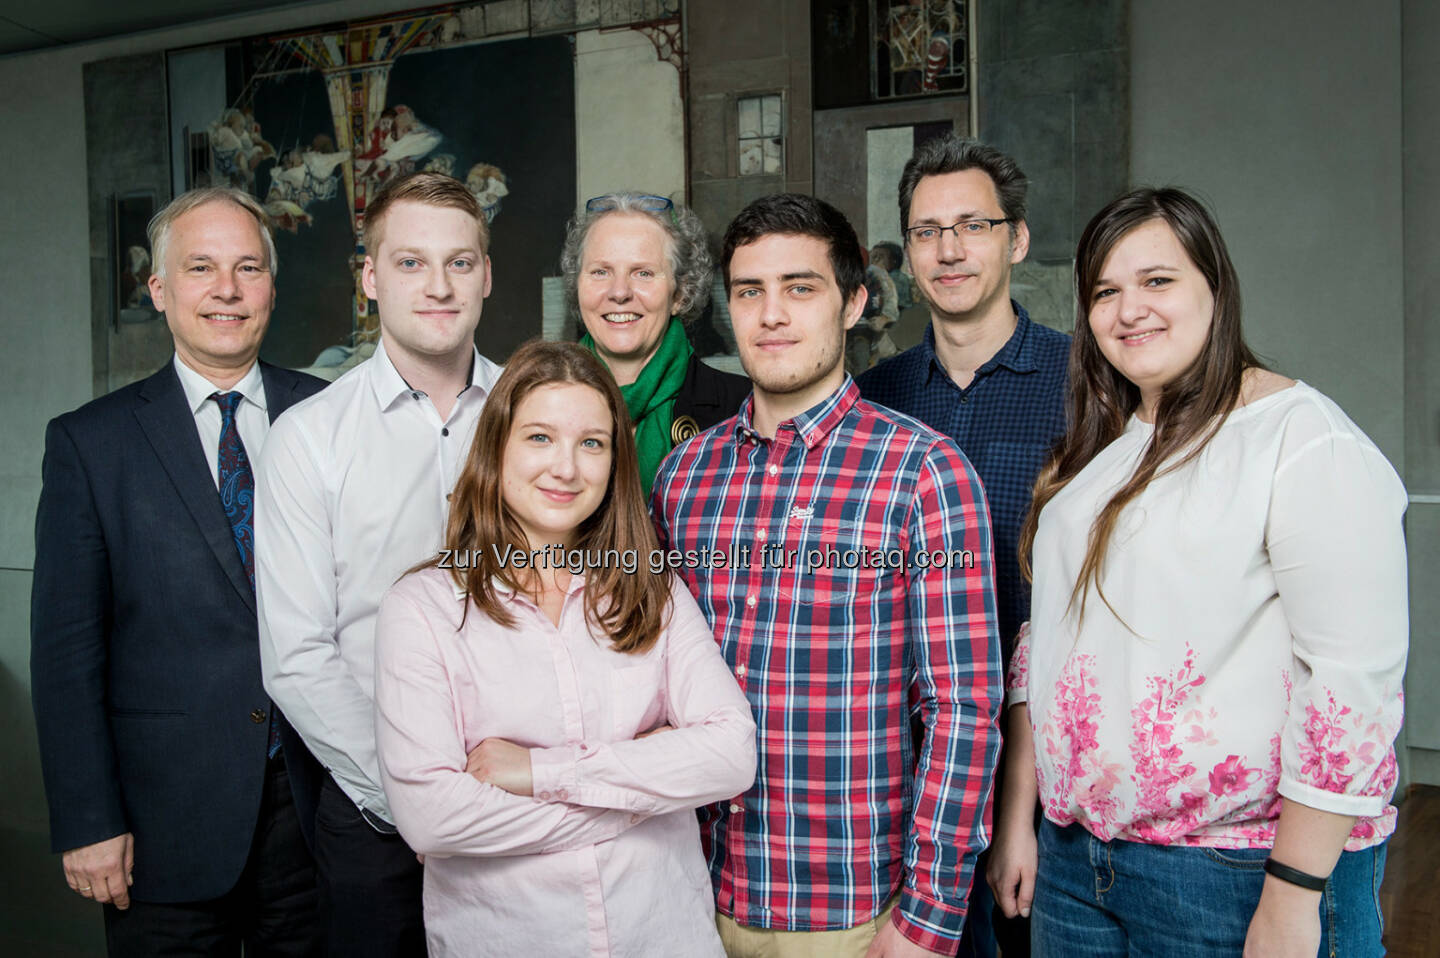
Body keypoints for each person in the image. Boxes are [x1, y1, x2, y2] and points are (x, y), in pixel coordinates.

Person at [992, 187, 1407, 957]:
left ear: (1214, 286)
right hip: (1078, 866)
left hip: (1235, 872)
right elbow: (1042, 652)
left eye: (1158, 281)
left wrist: (1294, 895)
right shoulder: (1099, 459)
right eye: (1105, 292)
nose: (1128, 310)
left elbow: (1352, 683)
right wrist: (1021, 822)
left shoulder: (1301, 439)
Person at [652, 193, 1002, 958]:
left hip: (849, 912)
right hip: (684, 898)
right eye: (750, 292)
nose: (771, 314)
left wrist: (930, 917)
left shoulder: (925, 473)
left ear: (854, 303)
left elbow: (963, 709)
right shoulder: (682, 477)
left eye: (800, 288)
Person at [373, 340, 756, 957]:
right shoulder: (422, 609)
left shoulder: (653, 591)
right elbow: (431, 817)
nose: (567, 468)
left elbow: (732, 754)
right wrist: (643, 799)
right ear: (496, 448)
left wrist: (538, 773)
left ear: (614, 462)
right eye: (540, 438)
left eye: (592, 443)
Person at [31, 187, 325, 955]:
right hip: (164, 831)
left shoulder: (331, 414)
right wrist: (89, 821)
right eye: (201, 268)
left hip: (322, 817)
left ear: (270, 286)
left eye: (247, 268)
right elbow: (66, 658)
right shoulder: (90, 446)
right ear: (160, 290)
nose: (226, 290)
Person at [256, 171, 503, 957]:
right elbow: (297, 656)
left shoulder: (535, 418)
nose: (438, 285)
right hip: (375, 815)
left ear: (487, 275)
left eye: (460, 263)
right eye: (409, 263)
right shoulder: (307, 437)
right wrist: (416, 794)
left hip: (518, 799)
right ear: (369, 277)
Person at [858, 135, 1069, 958]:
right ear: (906, 255)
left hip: (1041, 760)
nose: (949, 250)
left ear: (1015, 239)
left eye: (973, 225)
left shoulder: (1084, 382)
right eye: (925, 231)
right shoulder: (877, 394)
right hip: (905, 765)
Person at [560, 192, 750, 494]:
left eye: (643, 273)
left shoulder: (744, 409)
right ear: (577, 284)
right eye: (600, 272)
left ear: (680, 294)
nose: (619, 292)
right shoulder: (534, 403)